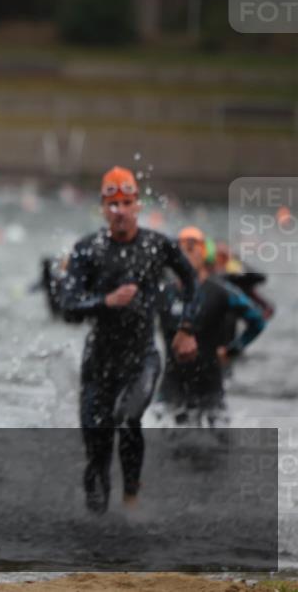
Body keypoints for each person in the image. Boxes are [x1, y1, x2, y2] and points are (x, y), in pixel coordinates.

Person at [59, 166, 199, 514]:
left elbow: (193, 281)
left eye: (126, 202)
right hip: (99, 362)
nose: (119, 210)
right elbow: (67, 305)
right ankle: (97, 529)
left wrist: (186, 329)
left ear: (137, 204)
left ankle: (132, 499)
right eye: (112, 203)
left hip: (142, 359)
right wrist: (104, 302)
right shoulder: (87, 249)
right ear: (103, 208)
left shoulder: (158, 245)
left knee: (127, 417)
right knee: (97, 449)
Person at [155, 227, 266, 426]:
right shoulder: (163, 293)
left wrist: (232, 350)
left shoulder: (222, 292)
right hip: (171, 388)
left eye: (192, 247)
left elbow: (257, 321)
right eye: (180, 249)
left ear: (204, 252)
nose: (186, 254)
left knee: (215, 449)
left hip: (209, 387)